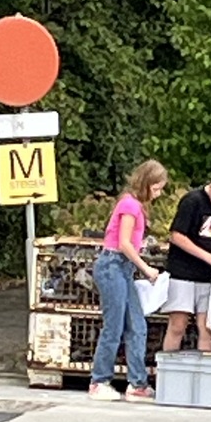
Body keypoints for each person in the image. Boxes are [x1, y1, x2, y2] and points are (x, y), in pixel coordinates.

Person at [88, 159, 168, 402]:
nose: (159, 194)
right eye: (156, 188)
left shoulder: (135, 205)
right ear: (146, 184)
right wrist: (146, 269)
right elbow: (123, 243)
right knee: (114, 326)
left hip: (123, 268)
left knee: (137, 325)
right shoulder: (130, 205)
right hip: (113, 265)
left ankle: (138, 383)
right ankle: (99, 381)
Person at [161, 168, 211, 353]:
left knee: (207, 326)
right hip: (183, 272)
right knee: (178, 324)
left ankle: (205, 366)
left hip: (208, 275)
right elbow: (176, 236)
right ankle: (168, 365)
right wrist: (207, 256)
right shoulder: (193, 201)